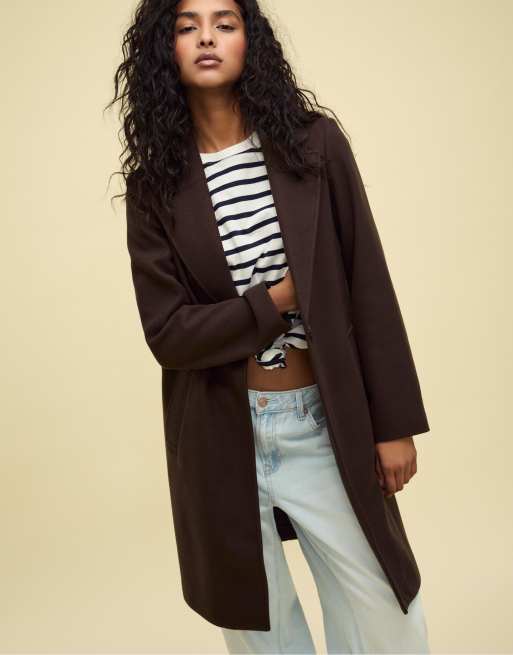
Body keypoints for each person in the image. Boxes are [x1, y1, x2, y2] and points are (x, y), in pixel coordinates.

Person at [107, 0, 431, 652]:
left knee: (386, 611)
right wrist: (276, 300)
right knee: (260, 628)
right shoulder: (154, 187)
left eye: (224, 23)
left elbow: (367, 282)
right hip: (219, 431)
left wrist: (392, 423)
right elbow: (168, 333)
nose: (206, 37)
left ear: (248, 40)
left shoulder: (314, 146)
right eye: (187, 26)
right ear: (164, 49)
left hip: (320, 418)